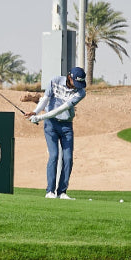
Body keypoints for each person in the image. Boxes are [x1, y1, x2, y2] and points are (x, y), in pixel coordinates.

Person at [28, 65, 87, 200]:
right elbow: (45, 99)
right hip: (51, 125)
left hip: (66, 126)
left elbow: (62, 109)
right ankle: (50, 191)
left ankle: (62, 192)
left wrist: (40, 117)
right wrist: (35, 112)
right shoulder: (54, 81)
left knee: (68, 158)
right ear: (69, 78)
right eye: (75, 83)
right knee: (54, 155)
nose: (76, 86)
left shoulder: (81, 93)